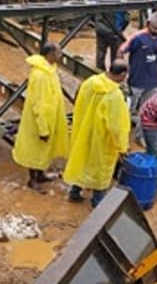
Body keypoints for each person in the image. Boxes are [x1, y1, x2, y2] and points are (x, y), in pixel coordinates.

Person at [63, 60, 131, 206]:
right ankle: (97, 202)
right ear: (123, 74)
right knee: (100, 172)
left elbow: (77, 101)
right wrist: (122, 147)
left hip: (83, 132)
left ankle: (74, 193)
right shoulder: (114, 96)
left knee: (82, 163)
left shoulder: (90, 82)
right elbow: (116, 127)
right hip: (101, 139)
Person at [12, 44, 70, 189]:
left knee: (43, 150)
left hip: (48, 118)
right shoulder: (41, 75)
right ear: (50, 54)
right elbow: (39, 104)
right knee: (35, 150)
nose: (61, 54)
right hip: (40, 121)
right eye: (58, 52)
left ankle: (40, 175)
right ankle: (33, 180)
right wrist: (42, 128)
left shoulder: (49, 70)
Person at [119, 9, 157, 122]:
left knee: (147, 110)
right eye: (154, 28)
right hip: (136, 80)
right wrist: (122, 72)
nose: (156, 31)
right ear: (148, 24)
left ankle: (140, 135)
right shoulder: (137, 37)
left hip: (152, 81)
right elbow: (121, 50)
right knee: (128, 108)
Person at [90, 0, 127, 71]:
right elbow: (126, 18)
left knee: (100, 53)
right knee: (116, 56)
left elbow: (90, 11)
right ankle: (114, 75)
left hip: (100, 30)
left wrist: (97, 23)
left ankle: (98, 73)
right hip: (115, 32)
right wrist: (120, 29)